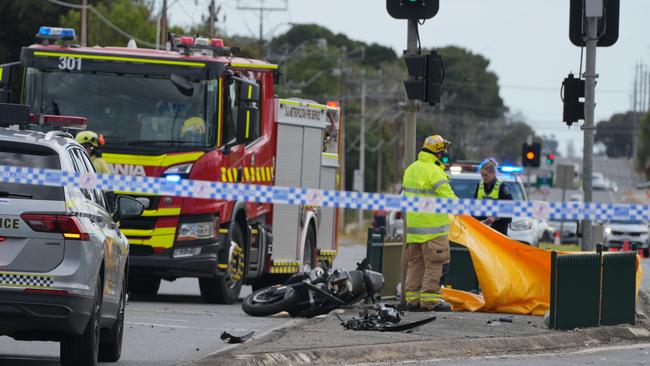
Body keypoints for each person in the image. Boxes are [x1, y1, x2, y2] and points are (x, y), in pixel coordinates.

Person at [402, 135, 457, 312]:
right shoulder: (435, 171)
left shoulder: (411, 169)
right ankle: (429, 301)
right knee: (434, 263)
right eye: (442, 153)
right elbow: (449, 199)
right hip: (433, 230)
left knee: (415, 264)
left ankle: (412, 300)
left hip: (414, 230)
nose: (443, 156)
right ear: (437, 153)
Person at [473, 158, 513, 236]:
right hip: (482, 225)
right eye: (482, 175)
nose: (483, 177)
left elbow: (509, 206)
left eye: (486, 175)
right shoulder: (480, 185)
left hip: (499, 226)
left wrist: (495, 218)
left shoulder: (502, 187)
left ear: (493, 173)